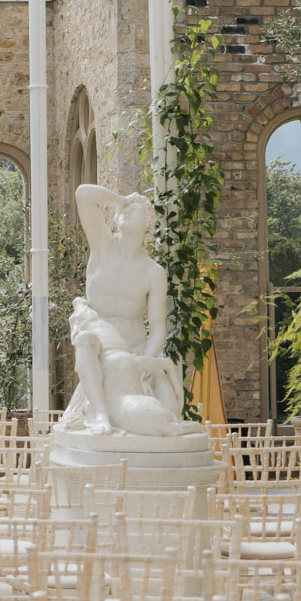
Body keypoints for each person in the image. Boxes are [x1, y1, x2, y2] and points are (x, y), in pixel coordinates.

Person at [60, 186, 190, 437]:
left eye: (136, 210)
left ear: (147, 225)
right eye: (124, 210)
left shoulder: (154, 272)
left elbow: (158, 327)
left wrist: (145, 360)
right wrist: (122, 200)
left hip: (136, 347)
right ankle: (99, 413)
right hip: (99, 341)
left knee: (168, 407)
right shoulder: (101, 245)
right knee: (87, 344)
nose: (126, 212)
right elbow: (83, 194)